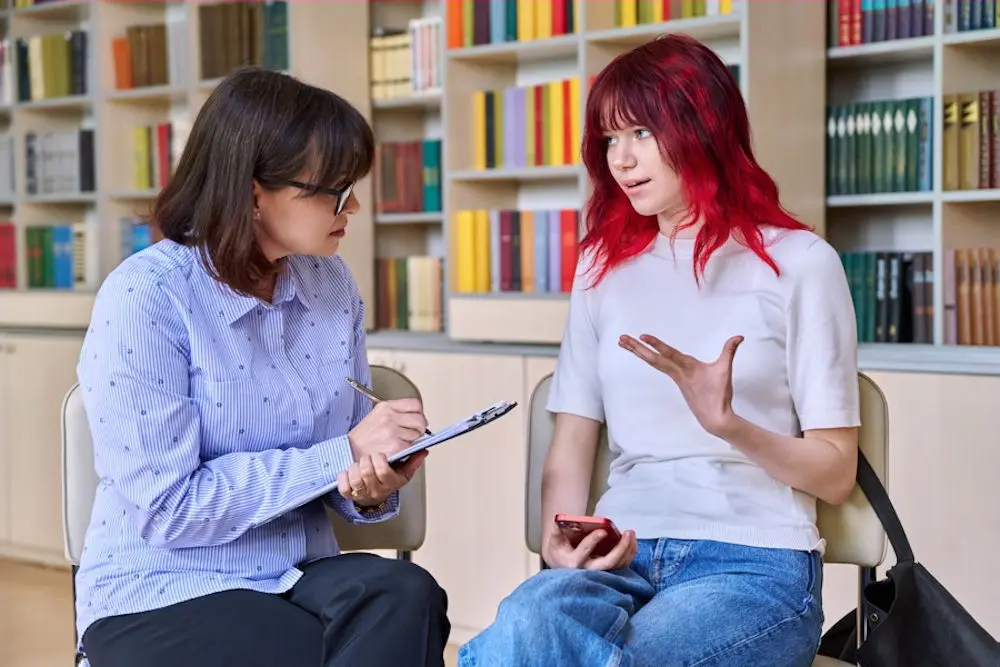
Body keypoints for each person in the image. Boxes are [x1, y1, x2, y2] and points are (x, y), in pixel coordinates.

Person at [459, 33, 860, 667]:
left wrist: (727, 424)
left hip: (752, 562)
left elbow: (837, 474)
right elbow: (573, 437)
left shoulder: (802, 264)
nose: (621, 159)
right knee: (521, 631)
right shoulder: (601, 268)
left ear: (702, 126)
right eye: (609, 139)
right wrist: (555, 540)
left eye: (642, 132)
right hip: (623, 550)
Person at [74, 66, 450, 667]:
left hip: (296, 574)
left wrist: (371, 486)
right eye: (332, 189)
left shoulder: (331, 286)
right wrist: (342, 454)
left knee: (411, 596)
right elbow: (169, 509)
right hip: (161, 588)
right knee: (314, 649)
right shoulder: (146, 297)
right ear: (253, 193)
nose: (349, 206)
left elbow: (341, 475)